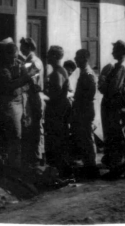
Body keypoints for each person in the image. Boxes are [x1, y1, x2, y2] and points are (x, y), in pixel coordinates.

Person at [0, 38, 34, 171]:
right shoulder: (2, 68)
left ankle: (20, 163)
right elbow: (9, 86)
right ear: (6, 55)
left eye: (16, 57)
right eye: (12, 57)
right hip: (10, 102)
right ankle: (14, 166)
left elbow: (28, 83)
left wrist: (21, 85)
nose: (15, 60)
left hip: (22, 99)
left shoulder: (20, 63)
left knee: (25, 131)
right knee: (16, 134)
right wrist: (24, 80)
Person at [98, 40, 125, 180]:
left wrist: (102, 82)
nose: (112, 52)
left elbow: (112, 89)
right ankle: (116, 166)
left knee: (116, 137)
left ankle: (118, 168)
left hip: (116, 105)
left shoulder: (122, 68)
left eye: (115, 50)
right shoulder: (118, 66)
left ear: (122, 52)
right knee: (113, 136)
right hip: (113, 105)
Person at [71, 49, 99, 180]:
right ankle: (88, 165)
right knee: (84, 138)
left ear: (85, 59)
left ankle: (92, 167)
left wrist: (78, 103)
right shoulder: (83, 73)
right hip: (83, 108)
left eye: (78, 58)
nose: (76, 60)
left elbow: (89, 94)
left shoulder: (88, 74)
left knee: (87, 138)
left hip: (85, 109)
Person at [19, 37, 47, 167]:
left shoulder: (34, 62)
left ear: (29, 47)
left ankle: (38, 156)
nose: (20, 49)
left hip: (34, 96)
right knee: (31, 126)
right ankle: (35, 155)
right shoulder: (27, 61)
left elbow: (30, 79)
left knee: (36, 126)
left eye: (23, 47)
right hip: (29, 96)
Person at [44, 46, 71, 175]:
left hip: (57, 110)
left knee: (57, 140)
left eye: (49, 55)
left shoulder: (57, 73)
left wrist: (45, 95)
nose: (47, 57)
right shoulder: (61, 71)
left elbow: (57, 94)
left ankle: (60, 171)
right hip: (59, 109)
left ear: (54, 57)